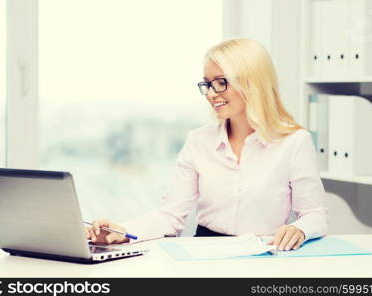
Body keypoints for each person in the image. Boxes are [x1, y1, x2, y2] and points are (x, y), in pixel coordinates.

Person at [86, 38, 328, 251]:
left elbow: (315, 215)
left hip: (266, 252)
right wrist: (123, 232)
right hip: (206, 251)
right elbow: (170, 215)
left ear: (252, 83)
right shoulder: (199, 141)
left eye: (221, 82)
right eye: (207, 84)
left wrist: (300, 230)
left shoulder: (294, 142)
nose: (212, 94)